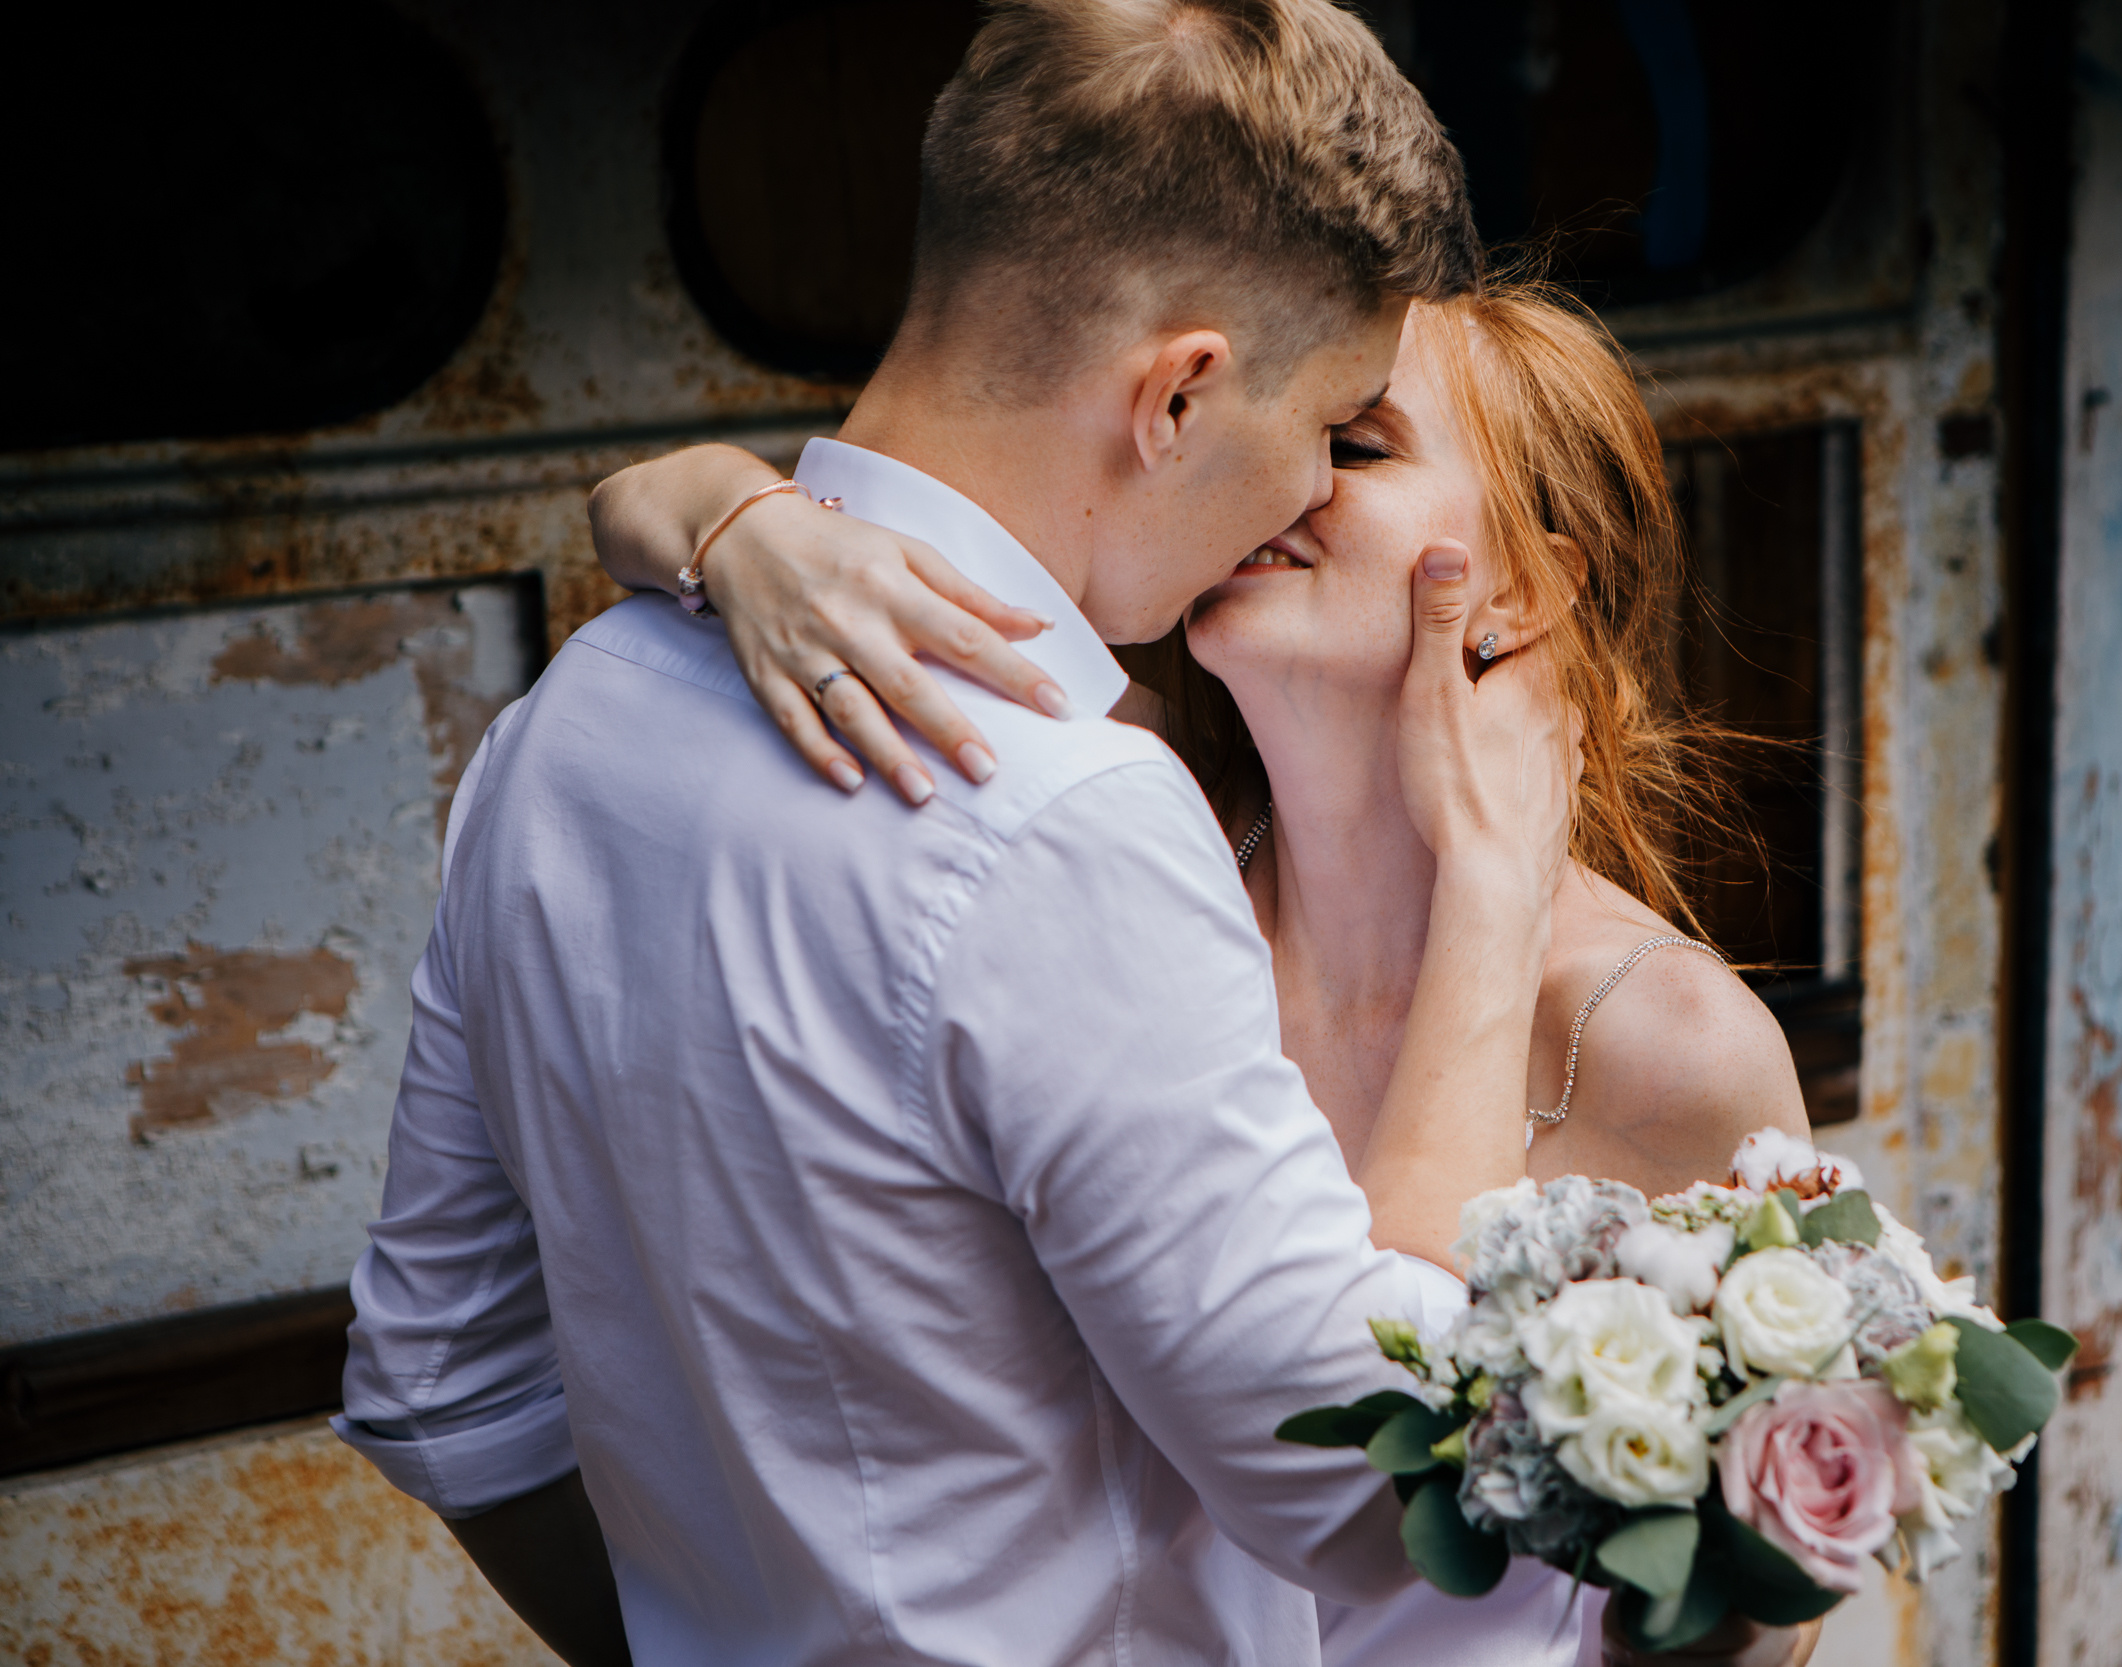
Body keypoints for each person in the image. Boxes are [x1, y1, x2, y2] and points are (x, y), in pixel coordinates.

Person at [335, 5, 1582, 1665]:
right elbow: (1380, 1491)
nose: (1304, 499)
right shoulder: (1065, 818)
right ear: (1181, 394)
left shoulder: (558, 731)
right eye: (1328, 423)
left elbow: (445, 1397)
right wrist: (1495, 903)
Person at [597, 278, 1824, 1667]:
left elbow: (1758, 1596)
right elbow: (633, 497)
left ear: (1531, 587)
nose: (1285, 479)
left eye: (1354, 449)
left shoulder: (1665, 1043)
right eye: (1291, 429)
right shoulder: (1113, 876)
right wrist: (743, 524)